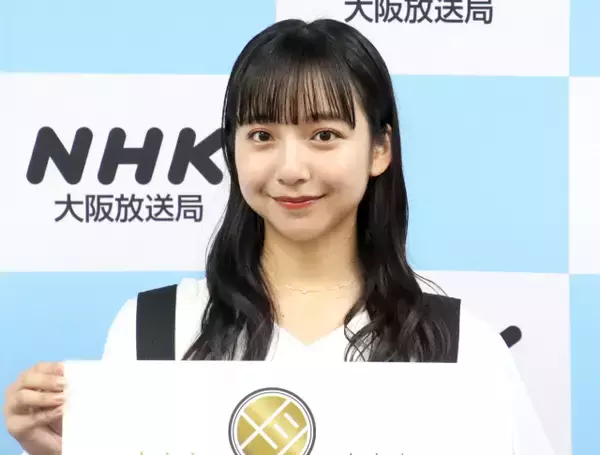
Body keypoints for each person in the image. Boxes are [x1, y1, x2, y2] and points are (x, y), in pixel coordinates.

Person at [3, 18, 555, 455]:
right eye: (262, 134)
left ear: (380, 149)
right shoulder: (152, 330)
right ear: (232, 148)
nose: (291, 169)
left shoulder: (458, 348)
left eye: (324, 134)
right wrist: (64, 448)